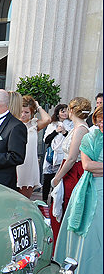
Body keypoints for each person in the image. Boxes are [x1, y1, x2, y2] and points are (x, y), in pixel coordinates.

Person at [55, 104, 102, 274]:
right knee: (86, 238)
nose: (101, 122)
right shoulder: (90, 137)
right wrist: (94, 168)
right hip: (90, 192)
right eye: (99, 119)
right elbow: (87, 166)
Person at [50, 97, 91, 248]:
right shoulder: (76, 127)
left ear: (72, 110)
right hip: (68, 168)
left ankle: (63, 247)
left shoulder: (81, 129)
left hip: (73, 172)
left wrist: (57, 178)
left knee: (66, 206)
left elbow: (73, 157)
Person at [16, 95, 51, 198]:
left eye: (26, 112)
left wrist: (38, 106)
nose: (23, 115)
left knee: (25, 200)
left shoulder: (34, 125)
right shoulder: (13, 124)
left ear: (31, 113)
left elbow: (47, 119)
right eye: (21, 112)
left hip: (29, 165)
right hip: (16, 164)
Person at [42, 104, 71, 201]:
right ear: (58, 113)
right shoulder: (52, 125)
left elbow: (71, 140)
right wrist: (56, 131)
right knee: (47, 179)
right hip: (52, 154)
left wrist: (64, 132)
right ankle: (45, 200)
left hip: (63, 155)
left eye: (66, 111)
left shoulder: (71, 125)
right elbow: (46, 140)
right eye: (62, 111)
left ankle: (55, 202)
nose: (65, 113)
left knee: (58, 180)